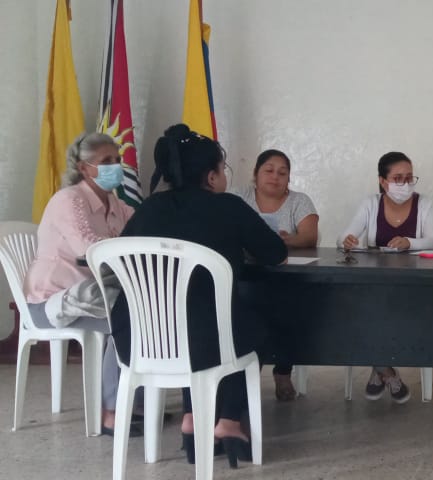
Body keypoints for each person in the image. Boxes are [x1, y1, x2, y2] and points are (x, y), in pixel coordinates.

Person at [110, 124, 288, 468]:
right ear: (211, 176)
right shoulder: (229, 206)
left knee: (195, 320)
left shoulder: (148, 208)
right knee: (254, 328)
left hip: (138, 340)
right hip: (206, 340)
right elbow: (275, 253)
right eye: (223, 168)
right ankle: (229, 422)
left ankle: (192, 418)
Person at [23, 132, 138, 436]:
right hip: (52, 300)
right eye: (106, 161)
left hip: (92, 294)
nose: (115, 166)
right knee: (127, 317)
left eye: (117, 160)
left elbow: (141, 230)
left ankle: (132, 401)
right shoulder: (69, 199)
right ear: (83, 167)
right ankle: (109, 411)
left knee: (143, 308)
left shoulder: (115, 203)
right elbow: (87, 249)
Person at [340, 151, 433, 404]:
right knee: (358, 311)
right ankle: (386, 371)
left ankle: (379, 369)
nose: (405, 184)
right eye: (398, 178)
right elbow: (343, 237)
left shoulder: (424, 204)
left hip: (414, 285)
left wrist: (410, 242)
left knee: (381, 314)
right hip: (375, 283)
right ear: (383, 181)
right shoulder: (370, 204)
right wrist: (347, 241)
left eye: (409, 177)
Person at [233, 149, 319, 401]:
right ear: (255, 174)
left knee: (290, 310)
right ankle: (244, 376)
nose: (275, 177)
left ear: (289, 178)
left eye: (282, 173)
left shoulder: (299, 200)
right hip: (244, 276)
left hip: (286, 277)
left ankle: (283, 371)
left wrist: (283, 240)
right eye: (269, 171)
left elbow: (309, 236)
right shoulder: (238, 197)